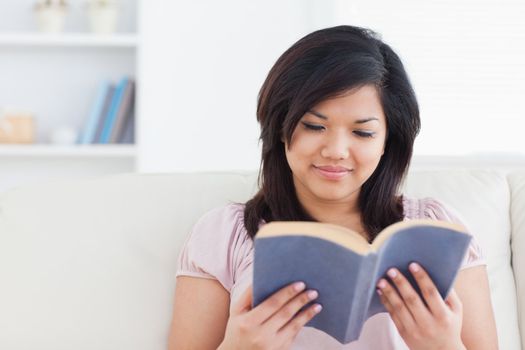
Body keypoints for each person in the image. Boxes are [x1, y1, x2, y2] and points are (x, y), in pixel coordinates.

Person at [168, 25, 498, 349]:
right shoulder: (224, 236)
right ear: (281, 127)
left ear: (387, 141)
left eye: (363, 133)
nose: (336, 150)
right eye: (314, 126)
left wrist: (443, 346)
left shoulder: (438, 231)